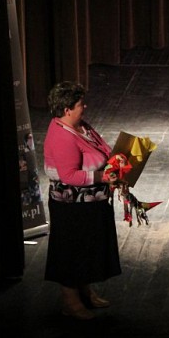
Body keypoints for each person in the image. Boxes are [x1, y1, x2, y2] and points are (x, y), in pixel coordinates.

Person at [43, 81, 122, 320]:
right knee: (72, 251)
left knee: (86, 249)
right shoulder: (62, 135)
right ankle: (70, 301)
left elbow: (100, 150)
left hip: (90, 202)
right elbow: (69, 175)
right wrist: (101, 176)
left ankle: (84, 291)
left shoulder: (79, 126)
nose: (84, 107)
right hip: (72, 207)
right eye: (80, 104)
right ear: (67, 110)